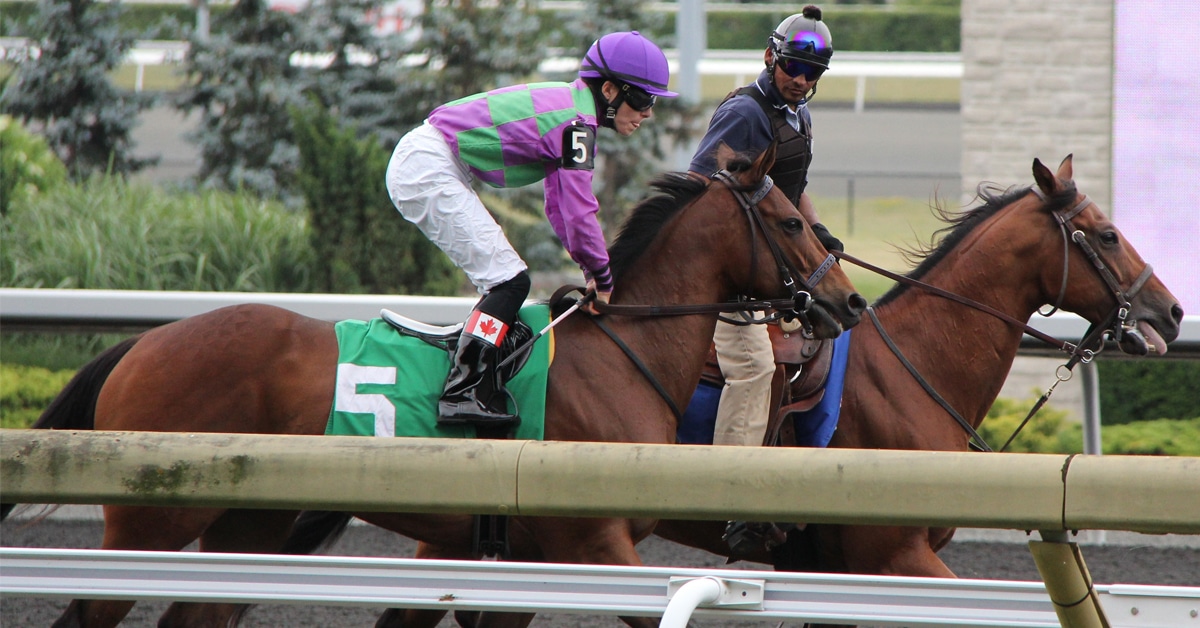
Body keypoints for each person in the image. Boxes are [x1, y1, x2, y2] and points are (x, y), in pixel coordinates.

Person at [386, 31, 678, 429]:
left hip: (431, 161)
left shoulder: (572, 114)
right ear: (609, 89)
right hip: (427, 166)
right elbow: (578, 212)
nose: (647, 113)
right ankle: (462, 390)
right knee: (509, 281)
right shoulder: (576, 124)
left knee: (507, 279)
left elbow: (559, 207)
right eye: (644, 99)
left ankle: (472, 379)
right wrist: (604, 275)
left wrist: (591, 271)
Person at [687, 5, 844, 552]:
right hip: (732, 275)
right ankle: (731, 500)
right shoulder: (746, 114)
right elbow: (700, 189)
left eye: (812, 73)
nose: (801, 81)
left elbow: (790, 188)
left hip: (776, 266)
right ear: (770, 57)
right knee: (754, 366)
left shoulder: (797, 114)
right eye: (793, 68)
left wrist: (818, 234)